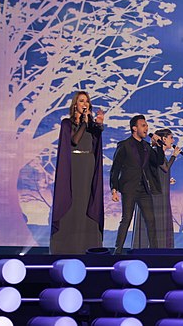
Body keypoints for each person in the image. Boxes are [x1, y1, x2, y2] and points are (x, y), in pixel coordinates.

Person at [50, 91, 105, 254]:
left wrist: (99, 125)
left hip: (88, 165)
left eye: (87, 101)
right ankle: (67, 246)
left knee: (87, 201)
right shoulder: (67, 123)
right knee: (73, 202)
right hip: (74, 166)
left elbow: (95, 143)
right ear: (75, 104)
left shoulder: (91, 125)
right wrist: (84, 122)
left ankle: (87, 245)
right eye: (82, 101)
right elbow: (74, 140)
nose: (85, 104)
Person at [110, 115, 165, 254]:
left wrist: (159, 146)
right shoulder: (124, 145)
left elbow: (158, 161)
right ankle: (117, 251)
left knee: (151, 221)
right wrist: (114, 189)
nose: (146, 128)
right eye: (143, 125)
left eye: (146, 125)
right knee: (126, 219)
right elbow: (115, 168)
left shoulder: (146, 146)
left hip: (144, 189)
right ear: (134, 128)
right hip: (129, 188)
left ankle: (155, 253)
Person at [133, 129, 182, 249]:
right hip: (155, 195)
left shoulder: (159, 154)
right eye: (171, 137)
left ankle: (161, 248)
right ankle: (152, 248)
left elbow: (158, 172)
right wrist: (174, 156)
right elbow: (164, 168)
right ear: (164, 139)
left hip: (161, 193)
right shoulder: (155, 151)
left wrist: (166, 180)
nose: (173, 140)